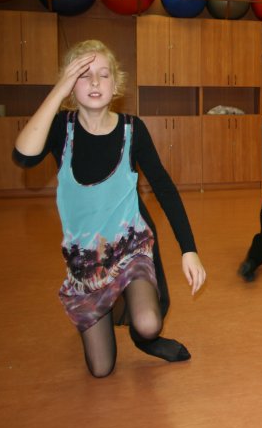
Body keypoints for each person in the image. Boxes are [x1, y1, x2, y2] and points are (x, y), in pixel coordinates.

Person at [13, 39, 206, 378]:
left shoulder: (132, 129)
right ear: (71, 85)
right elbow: (24, 157)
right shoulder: (61, 128)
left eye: (103, 75)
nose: (94, 82)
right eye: (83, 75)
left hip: (131, 246)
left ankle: (143, 334)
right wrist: (58, 90)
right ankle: (109, 304)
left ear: (115, 85)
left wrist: (189, 250)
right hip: (87, 259)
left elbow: (165, 188)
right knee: (101, 369)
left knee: (148, 323)